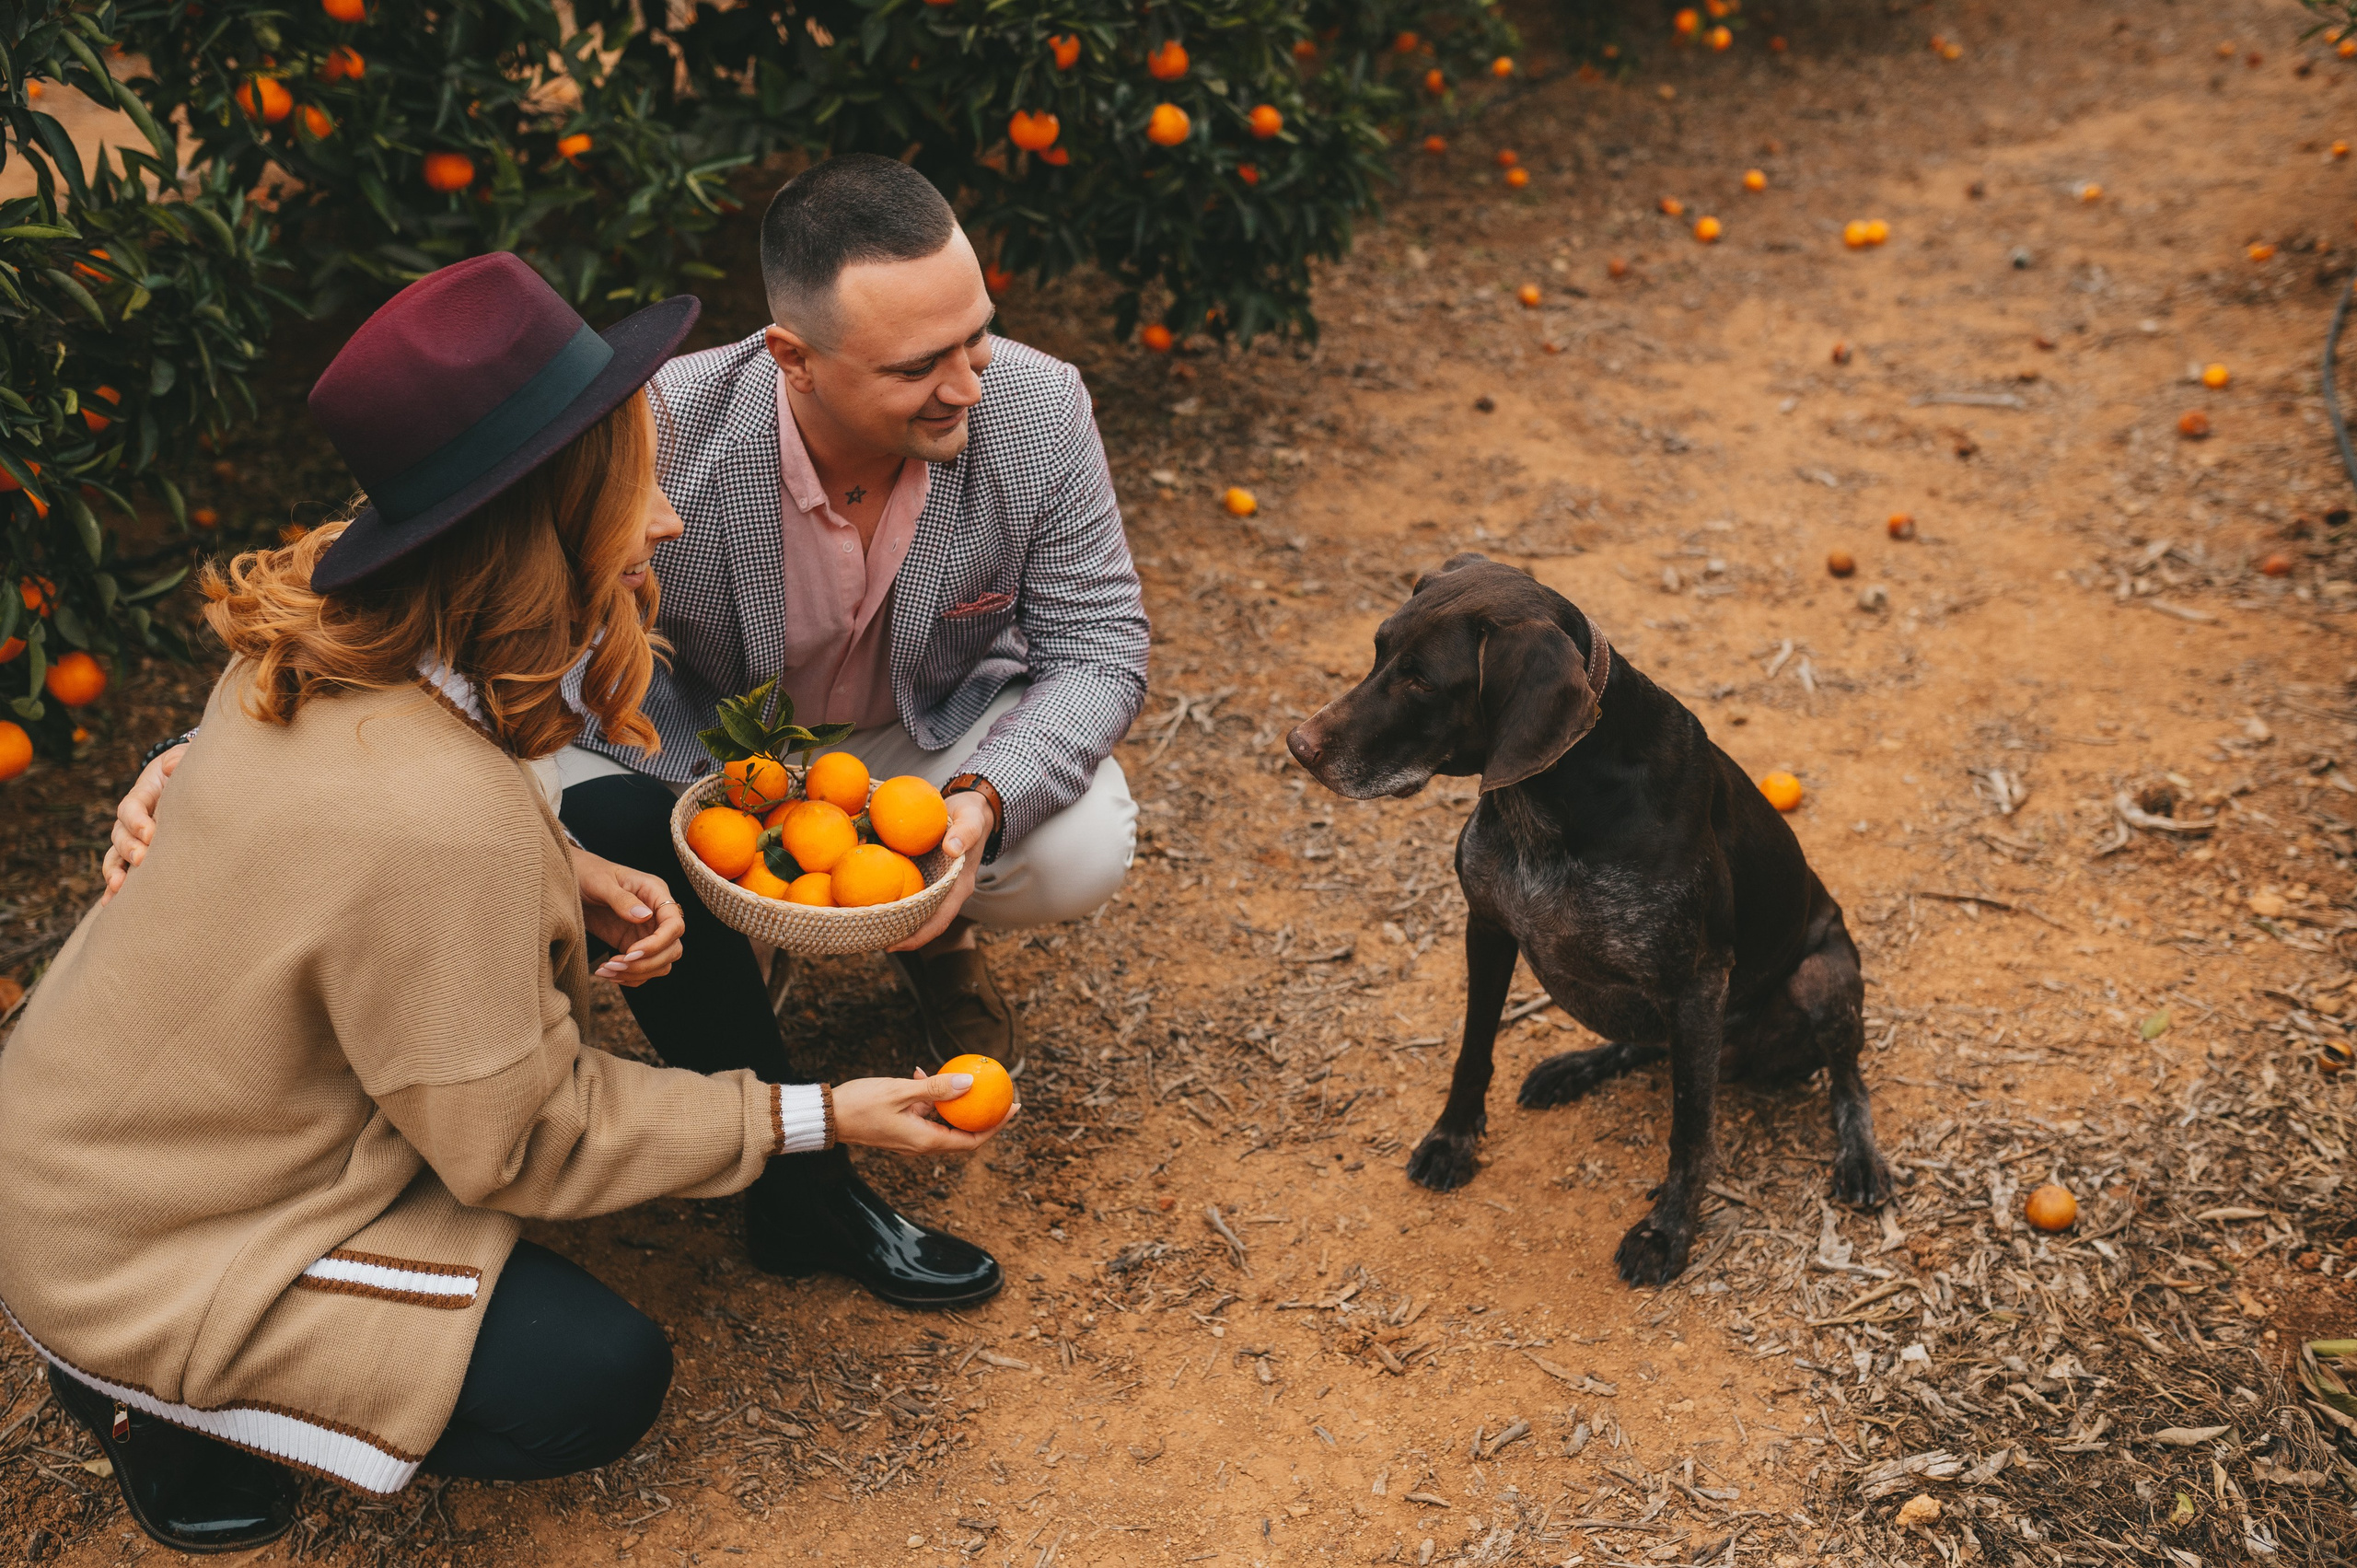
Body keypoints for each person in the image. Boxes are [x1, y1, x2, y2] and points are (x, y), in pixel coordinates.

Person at [0, 253, 1007, 1553]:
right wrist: (820, 1111)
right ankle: (144, 1391)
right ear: (548, 518)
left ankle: (794, 1201)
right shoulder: (435, 815)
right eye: (632, 483)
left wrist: (561, 865)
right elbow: (522, 1139)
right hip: (145, 1232)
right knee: (587, 1378)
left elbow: (358, 844)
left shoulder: (347, 635)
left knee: (632, 820)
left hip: (96, 1115)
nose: (668, 521)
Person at [111, 154, 1151, 1310]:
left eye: (977, 337)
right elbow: (407, 597)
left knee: (1083, 833)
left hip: (916, 741)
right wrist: (199, 766)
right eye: (918, 365)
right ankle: (784, 1137)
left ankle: (923, 944)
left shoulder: (1034, 404)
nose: (968, 383)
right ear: (790, 358)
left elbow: (1100, 647)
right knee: (587, 815)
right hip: (692, 753)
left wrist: (981, 801)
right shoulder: (646, 425)